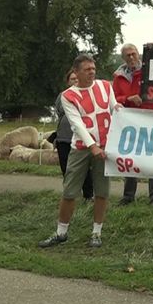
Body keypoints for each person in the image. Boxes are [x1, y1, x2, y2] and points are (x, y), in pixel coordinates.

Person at [39, 54, 119, 249]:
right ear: (76, 72)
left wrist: (120, 109)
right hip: (82, 147)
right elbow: (77, 124)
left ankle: (96, 233)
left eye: (93, 68)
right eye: (87, 69)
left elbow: (114, 107)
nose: (92, 72)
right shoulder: (68, 96)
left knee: (101, 191)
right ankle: (61, 232)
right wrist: (92, 146)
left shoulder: (105, 86)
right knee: (69, 191)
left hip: (105, 147)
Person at [113, 43, 153, 206]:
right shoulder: (118, 77)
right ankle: (128, 196)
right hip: (129, 122)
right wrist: (128, 99)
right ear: (123, 58)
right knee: (130, 158)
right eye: (128, 55)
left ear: (139, 55)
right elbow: (113, 98)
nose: (131, 57)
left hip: (150, 119)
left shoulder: (149, 71)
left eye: (134, 54)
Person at [51, 68, 93, 201]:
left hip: (81, 139)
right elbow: (59, 111)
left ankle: (88, 195)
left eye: (77, 78)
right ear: (68, 82)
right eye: (72, 79)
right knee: (66, 167)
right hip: (64, 137)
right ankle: (71, 195)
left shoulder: (88, 94)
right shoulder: (62, 96)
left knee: (85, 169)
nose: (75, 81)